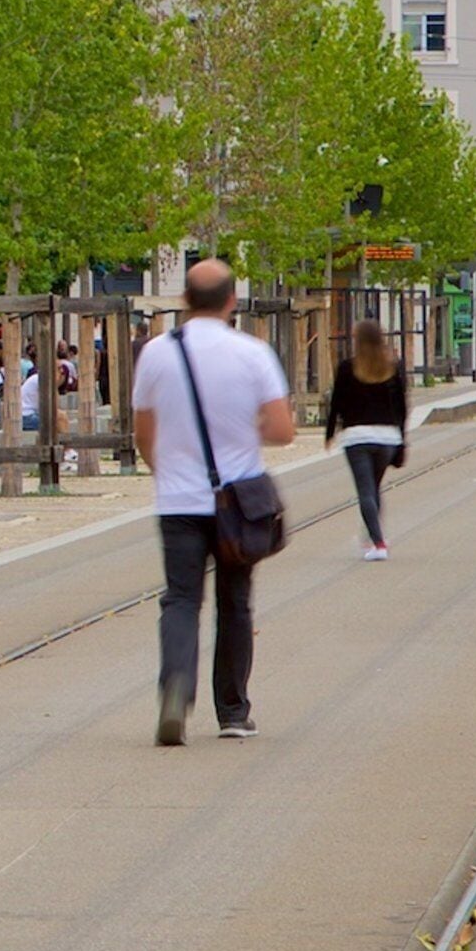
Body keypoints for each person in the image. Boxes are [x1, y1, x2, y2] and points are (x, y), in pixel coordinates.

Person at [131, 261, 292, 745]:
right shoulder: (253, 353)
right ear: (231, 301)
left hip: (178, 499)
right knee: (234, 602)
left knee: (180, 599)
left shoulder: (156, 353)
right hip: (238, 500)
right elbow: (283, 430)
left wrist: (171, 474)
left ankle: (176, 687)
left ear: (184, 298)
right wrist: (246, 429)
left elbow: (143, 433)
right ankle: (233, 712)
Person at [323, 319, 407, 561]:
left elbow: (336, 403)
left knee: (365, 490)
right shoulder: (393, 368)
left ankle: (379, 543)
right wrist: (402, 439)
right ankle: (372, 536)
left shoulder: (347, 368)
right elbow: (402, 407)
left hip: (357, 437)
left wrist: (329, 434)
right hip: (387, 437)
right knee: (374, 487)